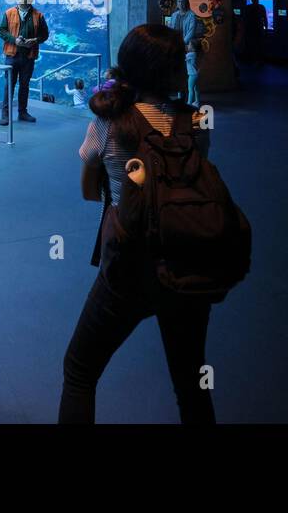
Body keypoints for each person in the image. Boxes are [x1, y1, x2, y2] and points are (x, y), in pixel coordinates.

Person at [60, 24, 214, 424]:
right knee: (192, 384)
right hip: (186, 262)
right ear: (172, 71)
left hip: (128, 266)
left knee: (79, 370)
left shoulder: (107, 123)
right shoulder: (196, 122)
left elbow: (89, 193)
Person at [0, 0, 49, 125]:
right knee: (9, 85)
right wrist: (15, 40)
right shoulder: (9, 13)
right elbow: (1, 31)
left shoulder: (39, 15)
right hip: (11, 56)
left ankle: (22, 112)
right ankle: (5, 115)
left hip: (29, 56)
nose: (23, 0)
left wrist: (35, 40)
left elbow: (45, 35)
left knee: (24, 85)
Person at [168, 0, 202, 106]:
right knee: (179, 72)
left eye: (182, 1)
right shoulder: (174, 15)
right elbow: (171, 29)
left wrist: (182, 43)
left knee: (189, 72)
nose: (180, 4)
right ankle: (180, 96)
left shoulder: (191, 15)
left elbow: (191, 31)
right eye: (178, 1)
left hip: (187, 46)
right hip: (176, 45)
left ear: (186, 3)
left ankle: (192, 99)